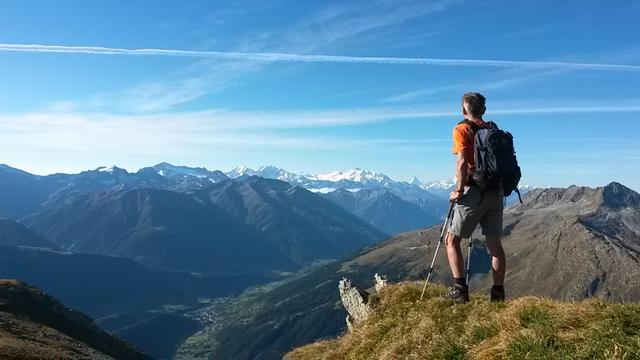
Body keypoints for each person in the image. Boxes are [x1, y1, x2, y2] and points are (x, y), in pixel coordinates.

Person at [443, 92, 506, 304]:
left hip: (474, 191)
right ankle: (498, 295)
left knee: (451, 240)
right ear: (484, 110)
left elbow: (461, 163)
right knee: (495, 246)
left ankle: (460, 291)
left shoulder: (461, 129)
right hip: (497, 191)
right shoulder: (493, 129)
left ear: (463, 109)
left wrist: (458, 191)